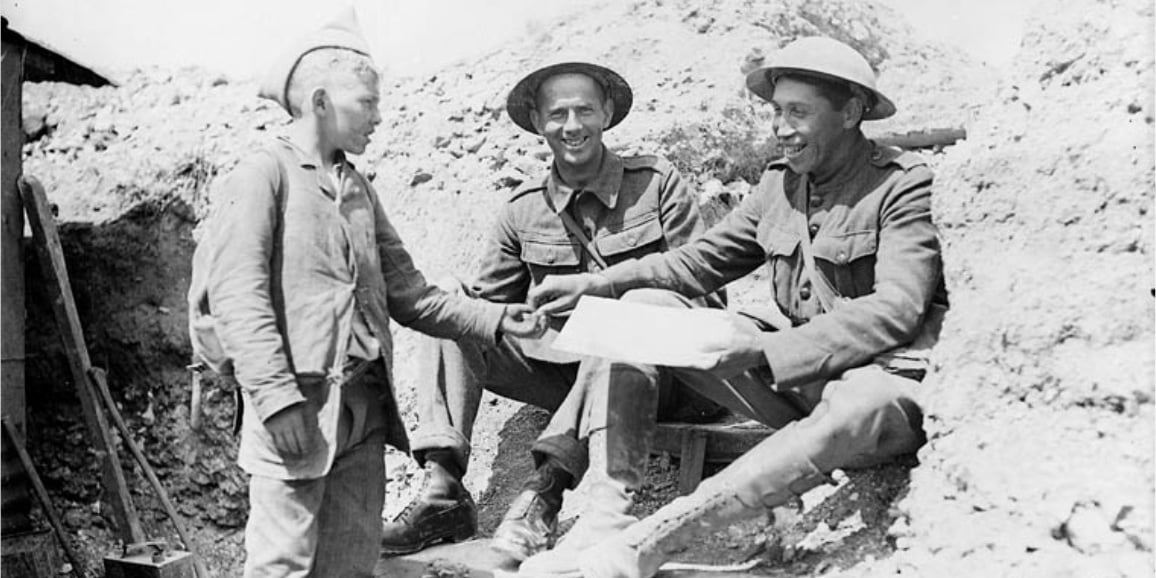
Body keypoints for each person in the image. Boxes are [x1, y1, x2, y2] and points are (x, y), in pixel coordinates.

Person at [519, 36, 948, 578]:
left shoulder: (902, 186)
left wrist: (766, 348)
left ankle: (648, 544)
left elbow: (897, 309)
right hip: (802, 382)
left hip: (880, 384)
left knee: (858, 404)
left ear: (852, 112)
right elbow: (699, 261)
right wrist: (599, 284)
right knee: (643, 309)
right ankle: (607, 520)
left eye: (798, 112)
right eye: (776, 112)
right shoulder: (780, 185)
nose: (781, 128)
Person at [190, 9, 543, 577]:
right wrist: (275, 398)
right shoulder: (263, 176)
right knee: (282, 564)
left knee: (352, 564)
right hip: (294, 406)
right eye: (368, 102)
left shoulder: (356, 186)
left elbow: (411, 295)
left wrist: (498, 320)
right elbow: (239, 297)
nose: (379, 117)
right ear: (321, 101)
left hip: (362, 411)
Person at [379, 61, 725, 561]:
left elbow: (707, 292)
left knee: (622, 320)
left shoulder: (656, 183)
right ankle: (442, 488)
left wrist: (612, 296)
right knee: (452, 305)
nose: (572, 126)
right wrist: (526, 317)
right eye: (557, 114)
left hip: (663, 377)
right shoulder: (523, 208)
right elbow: (491, 310)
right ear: (538, 122)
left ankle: (547, 488)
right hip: (564, 373)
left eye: (584, 110)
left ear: (606, 113)